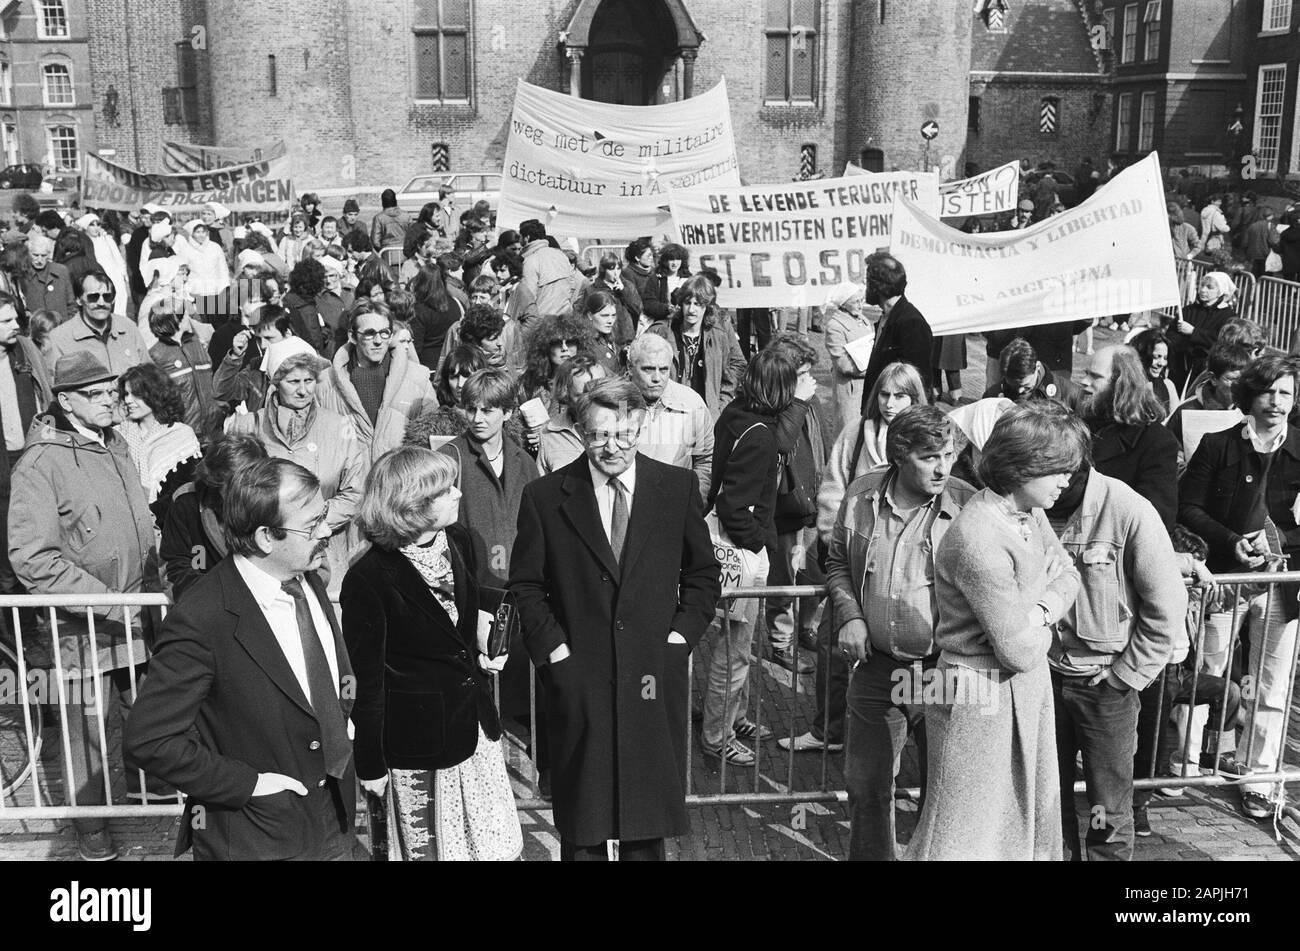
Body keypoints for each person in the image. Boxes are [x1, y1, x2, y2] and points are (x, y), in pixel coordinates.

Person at [509, 376, 719, 860]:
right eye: (600, 435)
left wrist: (677, 641)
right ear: (582, 433)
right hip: (580, 681)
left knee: (644, 826)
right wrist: (556, 655)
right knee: (583, 827)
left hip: (650, 677)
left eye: (624, 434)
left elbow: (704, 575)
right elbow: (526, 586)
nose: (613, 447)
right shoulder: (545, 497)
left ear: (640, 426)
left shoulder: (675, 487)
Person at [124, 457, 358, 860]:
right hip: (258, 835)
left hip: (334, 818)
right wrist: (248, 784)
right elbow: (151, 739)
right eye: (312, 524)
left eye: (324, 517)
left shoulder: (307, 578)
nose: (326, 532)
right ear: (266, 537)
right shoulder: (202, 617)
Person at [905, 402, 1082, 861]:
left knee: (1022, 827)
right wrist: (1047, 609)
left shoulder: (1029, 513)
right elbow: (1019, 650)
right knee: (964, 835)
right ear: (1025, 467)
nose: (1067, 480)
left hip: (1023, 693)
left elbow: (1071, 574)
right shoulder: (979, 535)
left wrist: (1034, 608)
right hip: (977, 697)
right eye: (1059, 470)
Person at [10, 352, 160, 861]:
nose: (109, 399)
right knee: (86, 738)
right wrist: (111, 605)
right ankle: (92, 834)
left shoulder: (114, 443)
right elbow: (32, 558)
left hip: (134, 620)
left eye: (111, 389)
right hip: (80, 632)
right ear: (66, 400)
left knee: (143, 719)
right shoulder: (41, 461)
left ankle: (149, 808)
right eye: (94, 393)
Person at [343, 447, 523, 860]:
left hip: (474, 729)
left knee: (490, 847)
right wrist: (369, 764)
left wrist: (486, 640)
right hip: (419, 744)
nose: (459, 494)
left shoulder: (456, 540)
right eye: (445, 490)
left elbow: (465, 604)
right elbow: (367, 684)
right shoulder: (368, 579)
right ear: (413, 505)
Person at [826, 406, 975, 859]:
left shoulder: (968, 504)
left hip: (943, 670)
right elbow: (836, 563)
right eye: (930, 457)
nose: (943, 467)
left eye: (948, 454)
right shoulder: (861, 495)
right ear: (899, 455)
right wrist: (850, 614)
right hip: (878, 668)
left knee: (947, 790)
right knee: (867, 787)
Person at [1041, 405, 1184, 861]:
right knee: (1048, 798)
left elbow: (1166, 606)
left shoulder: (1128, 510)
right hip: (1041, 678)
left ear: (1080, 466)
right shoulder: (1027, 505)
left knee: (1106, 806)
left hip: (1105, 686)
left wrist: (1125, 677)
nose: (1052, 486)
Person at [1178, 354, 1300, 820]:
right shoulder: (1217, 444)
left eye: (1285, 392)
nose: (1276, 401)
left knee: (1273, 683)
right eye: (1268, 391)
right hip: (1226, 579)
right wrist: (1232, 541)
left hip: (1281, 584)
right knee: (1208, 671)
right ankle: (1187, 764)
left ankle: (1258, 776)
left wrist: (1276, 540)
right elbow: (1189, 506)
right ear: (1249, 394)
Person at [699, 349, 799, 765]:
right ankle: (717, 734)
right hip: (741, 551)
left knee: (730, 642)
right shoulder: (759, 436)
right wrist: (764, 543)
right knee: (734, 649)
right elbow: (734, 507)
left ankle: (732, 715)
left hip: (730, 544)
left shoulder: (735, 413)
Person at [227, 350, 367, 592]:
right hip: (268, 553)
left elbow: (355, 493)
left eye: (309, 380)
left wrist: (311, 523)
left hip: (326, 550)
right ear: (275, 383)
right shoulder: (248, 426)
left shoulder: (339, 426)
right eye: (293, 382)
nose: (303, 390)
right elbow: (235, 494)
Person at [765, 334, 833, 674]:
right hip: (786, 511)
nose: (811, 380)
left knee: (816, 573)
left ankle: (805, 627)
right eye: (802, 373)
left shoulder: (809, 399)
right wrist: (799, 403)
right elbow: (779, 443)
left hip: (814, 503)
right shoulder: (773, 405)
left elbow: (825, 441)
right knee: (784, 580)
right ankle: (780, 642)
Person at [315, 305, 436, 465]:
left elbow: (432, 445)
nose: (378, 341)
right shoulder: (324, 383)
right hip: (348, 486)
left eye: (384, 333)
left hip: (400, 483)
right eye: (369, 333)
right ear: (352, 336)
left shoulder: (418, 379)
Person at [1079, 345, 1180, 531]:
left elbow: (1156, 516)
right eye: (1086, 373)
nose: (1084, 381)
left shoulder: (1155, 441)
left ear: (1120, 384)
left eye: (1095, 377)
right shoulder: (1082, 423)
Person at [160, 433, 268, 601]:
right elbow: (177, 564)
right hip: (207, 608)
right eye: (234, 485)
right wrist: (214, 598)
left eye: (251, 484)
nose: (243, 493)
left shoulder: (275, 500)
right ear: (216, 480)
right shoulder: (187, 501)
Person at [0, 293, 52, 631]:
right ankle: (18, 634)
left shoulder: (23, 349)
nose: (15, 326)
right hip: (3, 468)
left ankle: (44, 622)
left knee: (39, 539)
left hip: (30, 459)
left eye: (13, 318)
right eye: (5, 321)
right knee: (7, 554)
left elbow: (45, 392)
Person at [625, 333, 713, 499]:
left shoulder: (692, 403)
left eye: (663, 369)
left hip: (677, 505)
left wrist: (694, 501)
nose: (657, 378)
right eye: (648, 369)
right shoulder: (612, 402)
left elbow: (705, 460)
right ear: (630, 367)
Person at [647, 274, 745, 419]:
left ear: (707, 305)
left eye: (698, 304)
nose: (691, 310)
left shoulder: (721, 331)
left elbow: (738, 364)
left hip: (708, 414)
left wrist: (722, 401)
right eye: (687, 303)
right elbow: (638, 365)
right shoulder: (662, 331)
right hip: (670, 414)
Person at [117, 363, 202, 528]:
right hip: (125, 522)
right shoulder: (118, 433)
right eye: (126, 394)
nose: (128, 401)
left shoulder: (181, 434)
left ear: (155, 393)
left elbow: (181, 491)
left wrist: (149, 515)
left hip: (167, 524)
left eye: (136, 394)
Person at [858, 253, 932, 409]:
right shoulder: (886, 317)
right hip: (879, 411)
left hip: (898, 418)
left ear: (878, 286)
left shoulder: (911, 323)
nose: (865, 287)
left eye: (867, 282)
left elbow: (918, 383)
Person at [45, 270, 151, 378]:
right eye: (93, 297)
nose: (101, 303)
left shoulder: (128, 327)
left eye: (107, 297)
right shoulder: (59, 338)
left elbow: (150, 373)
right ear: (79, 300)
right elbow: (53, 386)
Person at [146, 302, 217, 438]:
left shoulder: (197, 344)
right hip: (184, 436)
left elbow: (211, 381)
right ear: (173, 320)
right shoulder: (155, 356)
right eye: (183, 313)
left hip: (213, 431)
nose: (187, 316)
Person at [1166, 342, 1249, 454]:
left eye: (1243, 379)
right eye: (1232, 380)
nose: (1239, 385)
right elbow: (1170, 455)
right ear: (1213, 379)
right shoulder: (1187, 411)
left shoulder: (1250, 412)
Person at [1167, 272, 1236, 395]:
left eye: (1210, 287)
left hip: (1205, 366)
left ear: (1220, 291)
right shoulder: (1188, 310)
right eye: (1202, 285)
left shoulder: (1227, 316)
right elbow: (1171, 334)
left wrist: (1193, 332)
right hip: (1180, 363)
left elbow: (1221, 341)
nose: (1203, 290)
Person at [538, 354, 607, 474]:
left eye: (600, 392)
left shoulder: (625, 425)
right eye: (582, 396)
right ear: (566, 394)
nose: (593, 402)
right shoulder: (549, 434)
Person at [821, 283, 876, 435]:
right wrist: (873, 368)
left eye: (861, 301)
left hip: (868, 386)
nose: (860, 305)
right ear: (844, 304)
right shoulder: (835, 326)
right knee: (849, 431)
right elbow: (843, 363)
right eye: (856, 302)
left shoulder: (863, 319)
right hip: (851, 389)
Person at [511, 219, 583, 325]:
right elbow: (572, 285)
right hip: (565, 320)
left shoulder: (530, 261)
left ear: (527, 238)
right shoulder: (561, 256)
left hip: (542, 325)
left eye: (520, 237)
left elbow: (528, 299)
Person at [982, 337, 1081, 407]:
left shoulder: (1070, 394)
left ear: (1037, 367)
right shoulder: (992, 396)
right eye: (1013, 385)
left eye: (1025, 386)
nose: (1019, 391)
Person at [408, 264, 464, 373]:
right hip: (451, 363)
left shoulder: (418, 310)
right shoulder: (455, 303)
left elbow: (415, 346)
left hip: (428, 367)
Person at [76, 213, 129, 319]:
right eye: (92, 225)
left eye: (98, 224)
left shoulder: (107, 239)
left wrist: (124, 275)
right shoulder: (83, 243)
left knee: (119, 304)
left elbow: (118, 258)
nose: (96, 228)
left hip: (114, 276)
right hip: (96, 277)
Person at [590, 251, 641, 345]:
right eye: (611, 269)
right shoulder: (594, 288)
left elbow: (638, 309)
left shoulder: (627, 285)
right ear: (603, 270)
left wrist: (623, 292)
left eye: (618, 269)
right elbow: (583, 311)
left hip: (626, 338)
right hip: (603, 338)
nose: (616, 273)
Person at [1130, 329, 1179, 418]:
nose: (1161, 363)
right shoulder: (1128, 384)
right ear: (1142, 355)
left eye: (1165, 358)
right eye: (1156, 357)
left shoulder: (1168, 386)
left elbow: (1174, 421)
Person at [640, 243, 691, 324]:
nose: (674, 263)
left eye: (678, 259)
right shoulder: (656, 279)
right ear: (665, 261)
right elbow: (649, 304)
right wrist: (666, 309)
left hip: (684, 324)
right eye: (671, 259)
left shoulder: (689, 280)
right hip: (661, 324)